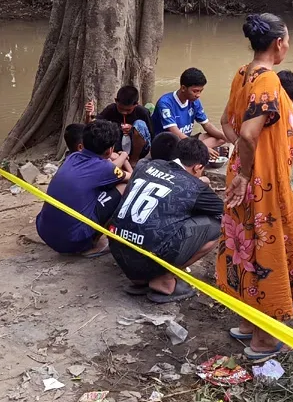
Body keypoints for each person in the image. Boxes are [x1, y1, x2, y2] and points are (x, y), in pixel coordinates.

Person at [217, 13, 293, 360]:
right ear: (278, 43)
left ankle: (247, 323)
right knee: (266, 249)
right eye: (288, 41)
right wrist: (247, 172)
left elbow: (227, 123)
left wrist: (240, 163)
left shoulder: (243, 73)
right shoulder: (268, 81)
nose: (288, 46)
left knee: (246, 245)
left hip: (245, 175)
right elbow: (249, 133)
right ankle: (264, 340)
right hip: (262, 182)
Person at [111, 137, 224, 303]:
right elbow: (224, 210)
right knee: (216, 226)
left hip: (118, 248)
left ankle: (140, 279)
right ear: (198, 167)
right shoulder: (194, 186)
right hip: (150, 255)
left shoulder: (146, 165)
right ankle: (165, 278)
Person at [36, 120, 129, 256]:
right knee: (123, 187)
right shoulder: (104, 168)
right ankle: (91, 245)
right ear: (110, 150)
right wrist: (124, 157)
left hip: (45, 233)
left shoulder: (72, 157)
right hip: (72, 243)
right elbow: (132, 177)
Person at [151, 68, 227, 155]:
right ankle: (199, 151)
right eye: (195, 91)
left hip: (186, 140)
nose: (198, 95)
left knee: (221, 137)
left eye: (200, 91)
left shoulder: (195, 102)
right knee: (200, 147)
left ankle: (198, 151)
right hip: (169, 144)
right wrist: (202, 148)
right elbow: (175, 132)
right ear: (183, 88)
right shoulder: (165, 103)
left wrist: (225, 136)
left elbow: (206, 124)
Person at [87, 85, 153, 161]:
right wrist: (88, 115)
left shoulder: (142, 112)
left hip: (138, 148)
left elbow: (150, 134)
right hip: (118, 147)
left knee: (139, 124)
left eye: (128, 110)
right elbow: (93, 125)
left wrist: (133, 129)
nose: (124, 112)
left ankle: (134, 160)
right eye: (121, 109)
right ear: (116, 101)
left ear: (136, 104)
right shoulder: (111, 109)